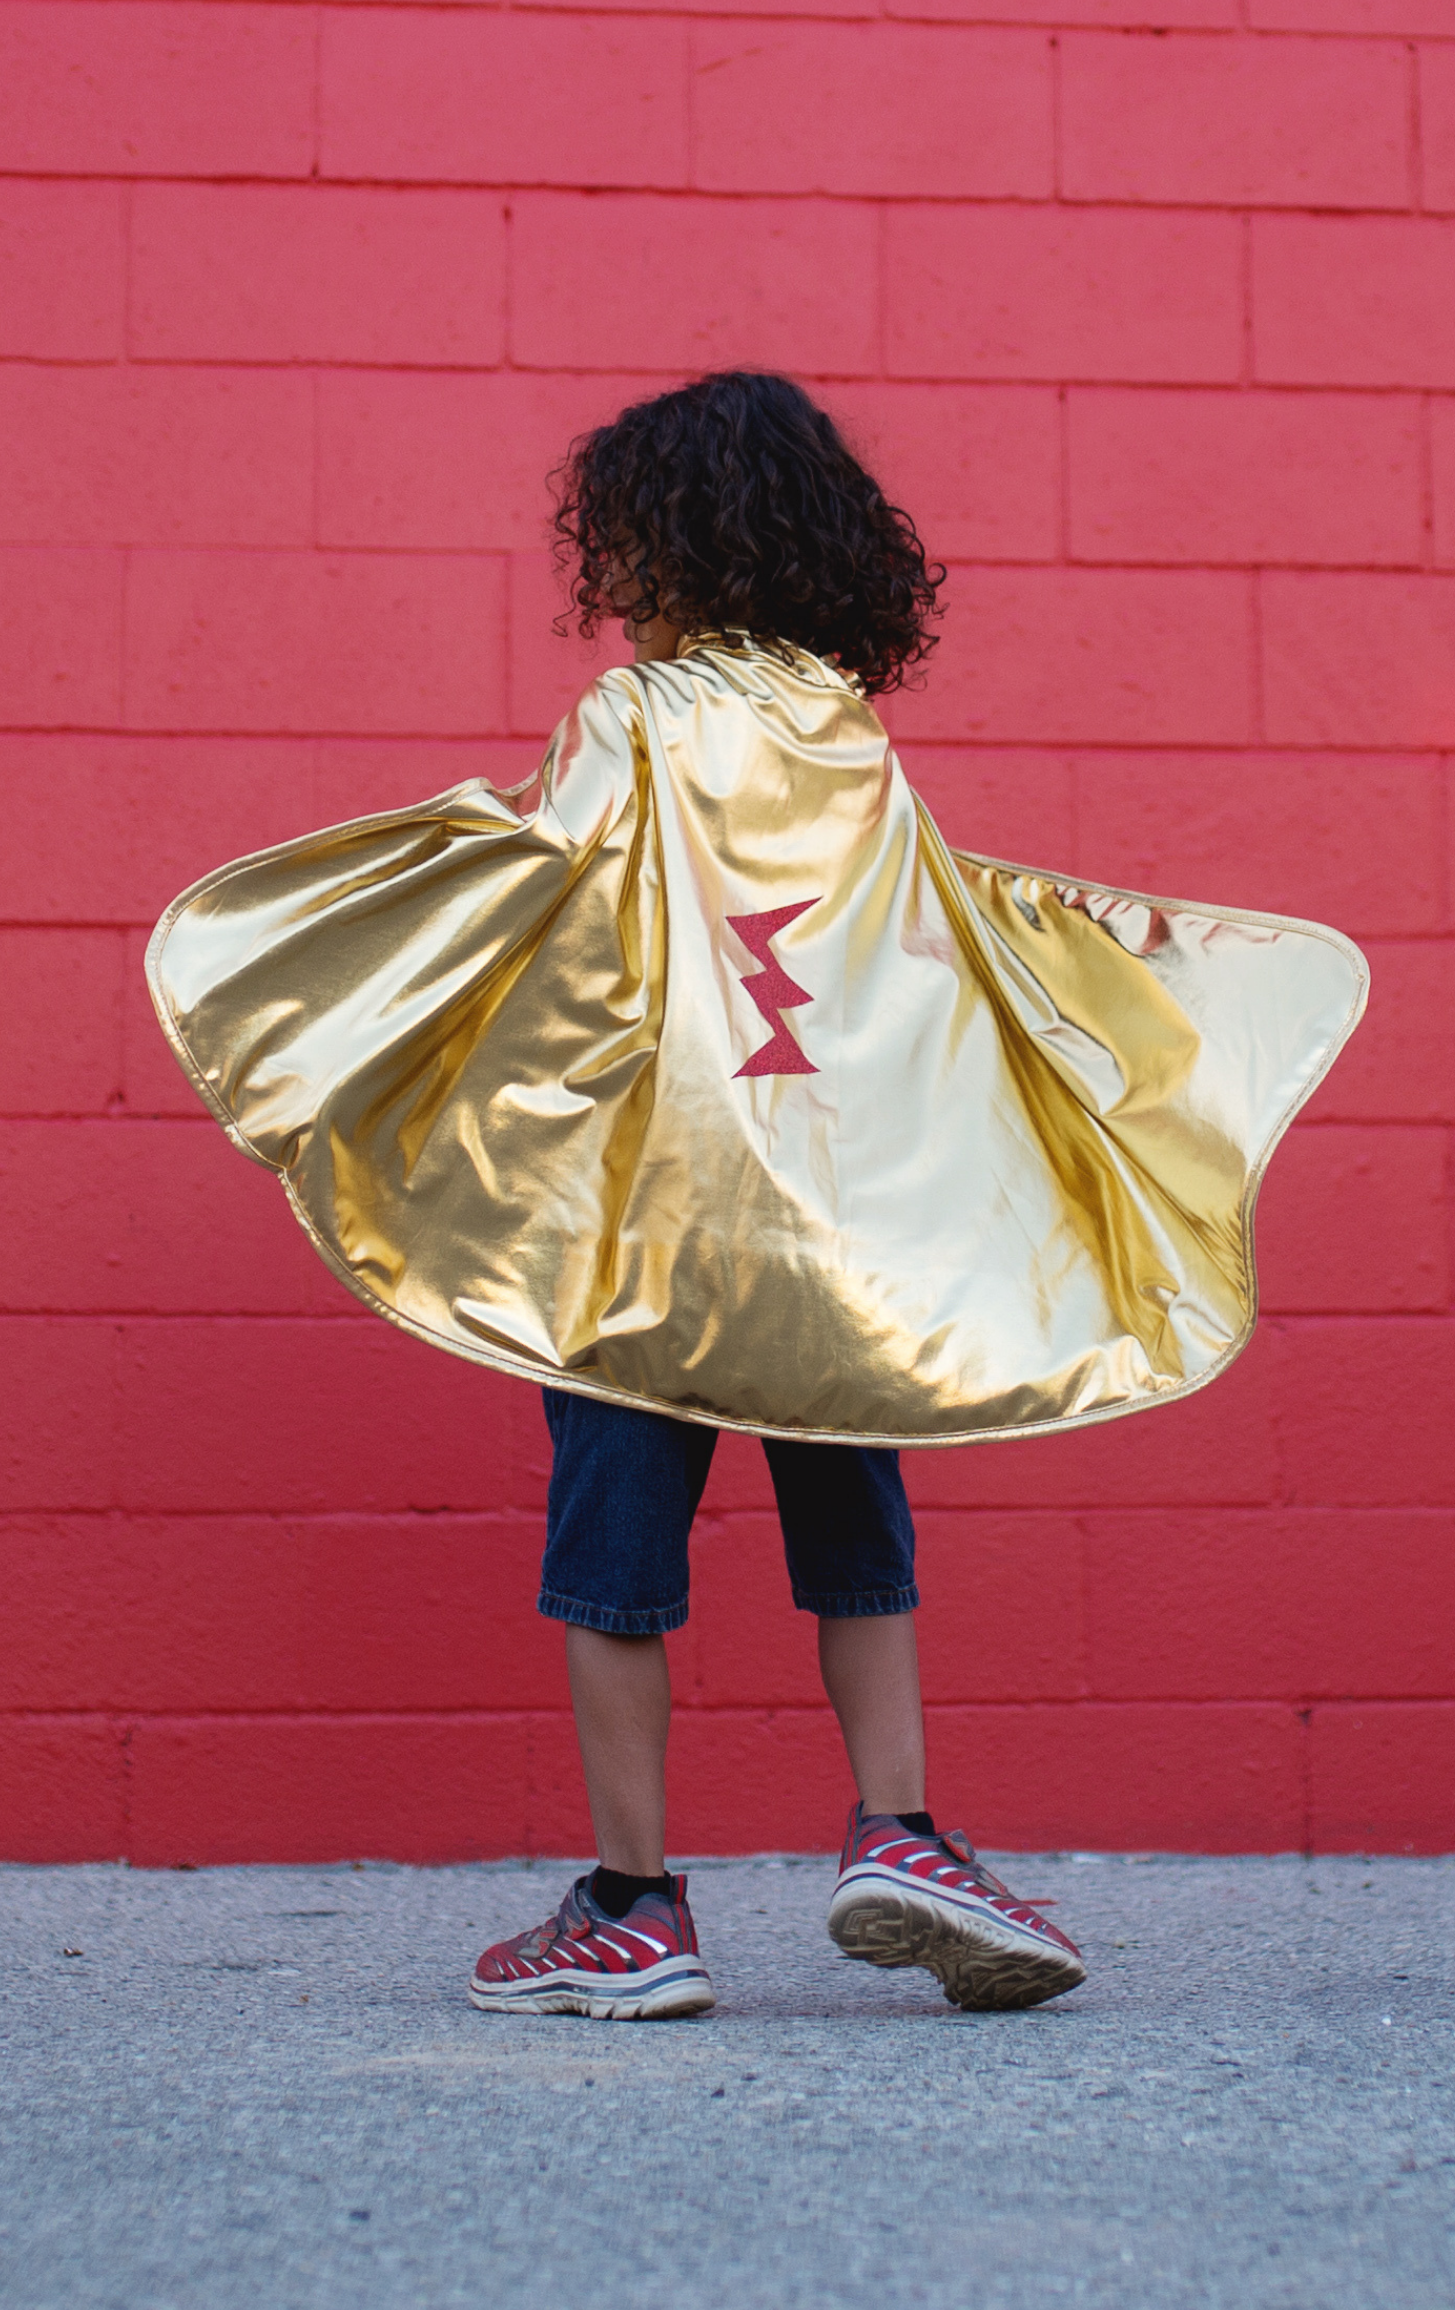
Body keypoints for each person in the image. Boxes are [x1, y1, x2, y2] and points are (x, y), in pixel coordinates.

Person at [148, 372, 1366, 2021]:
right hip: (840, 1238)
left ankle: (636, 1911)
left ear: (647, 548)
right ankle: (904, 1833)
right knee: (860, 1530)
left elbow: (534, 890)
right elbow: (917, 961)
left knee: (612, 1562)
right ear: (819, 547)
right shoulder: (848, 733)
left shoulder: (632, 721)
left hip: (650, 1234)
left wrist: (337, 935)